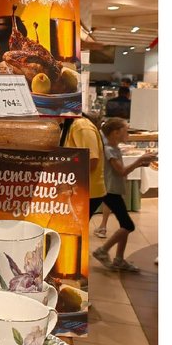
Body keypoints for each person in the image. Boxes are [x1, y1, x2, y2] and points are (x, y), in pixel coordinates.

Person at [92, 117, 157, 273]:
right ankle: (103, 250)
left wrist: (140, 163)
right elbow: (121, 171)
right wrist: (139, 161)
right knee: (128, 225)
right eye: (125, 130)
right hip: (110, 191)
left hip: (113, 190)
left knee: (124, 224)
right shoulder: (109, 150)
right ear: (116, 133)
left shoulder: (114, 148)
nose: (128, 133)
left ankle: (119, 258)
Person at [62, 111, 108, 244]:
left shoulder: (81, 126)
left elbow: (92, 160)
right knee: (73, 232)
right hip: (78, 189)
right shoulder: (71, 125)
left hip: (86, 191)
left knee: (73, 233)